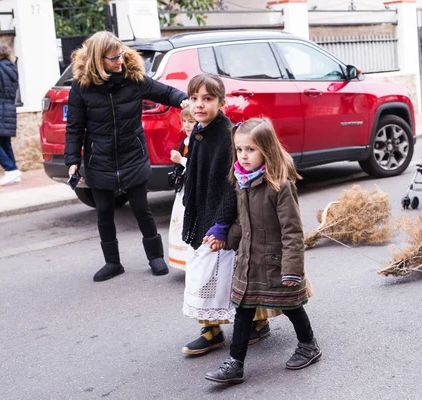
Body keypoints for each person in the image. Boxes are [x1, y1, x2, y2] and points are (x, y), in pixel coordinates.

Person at [64, 31, 188, 282]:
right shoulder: (82, 86)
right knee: (104, 213)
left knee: (142, 209)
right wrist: (72, 161)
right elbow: (75, 126)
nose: (119, 61)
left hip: (132, 154)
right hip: (99, 158)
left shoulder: (133, 78)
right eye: (113, 58)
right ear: (99, 60)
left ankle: (155, 258)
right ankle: (112, 263)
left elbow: (164, 93)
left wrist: (184, 100)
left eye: (121, 55)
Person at [205, 118, 321, 384]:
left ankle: (308, 345)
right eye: (239, 149)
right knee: (243, 310)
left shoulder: (280, 186)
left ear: (266, 150)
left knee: (292, 305)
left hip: (276, 262)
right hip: (248, 260)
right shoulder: (241, 182)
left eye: (250, 149)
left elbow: (292, 231)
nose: (243, 156)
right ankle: (235, 363)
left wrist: (291, 269)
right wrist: (225, 238)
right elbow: (243, 223)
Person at [180, 74, 275, 356]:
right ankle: (251, 324)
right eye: (194, 98)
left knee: (215, 274)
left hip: (222, 216)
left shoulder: (226, 135)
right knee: (224, 272)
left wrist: (221, 223)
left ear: (221, 102)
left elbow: (231, 183)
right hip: (203, 210)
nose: (199, 104)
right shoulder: (200, 130)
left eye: (207, 99)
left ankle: (215, 330)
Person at [168, 107, 196, 271]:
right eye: (184, 121)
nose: (186, 125)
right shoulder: (185, 141)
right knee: (179, 220)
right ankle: (182, 260)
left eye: (190, 121)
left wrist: (181, 161)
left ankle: (191, 260)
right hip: (184, 187)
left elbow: (198, 166)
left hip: (192, 189)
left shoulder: (197, 142)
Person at [0, 44, 21, 186]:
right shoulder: (12, 68)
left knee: (2, 142)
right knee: (5, 141)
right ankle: (13, 172)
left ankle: (10, 169)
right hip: (9, 108)